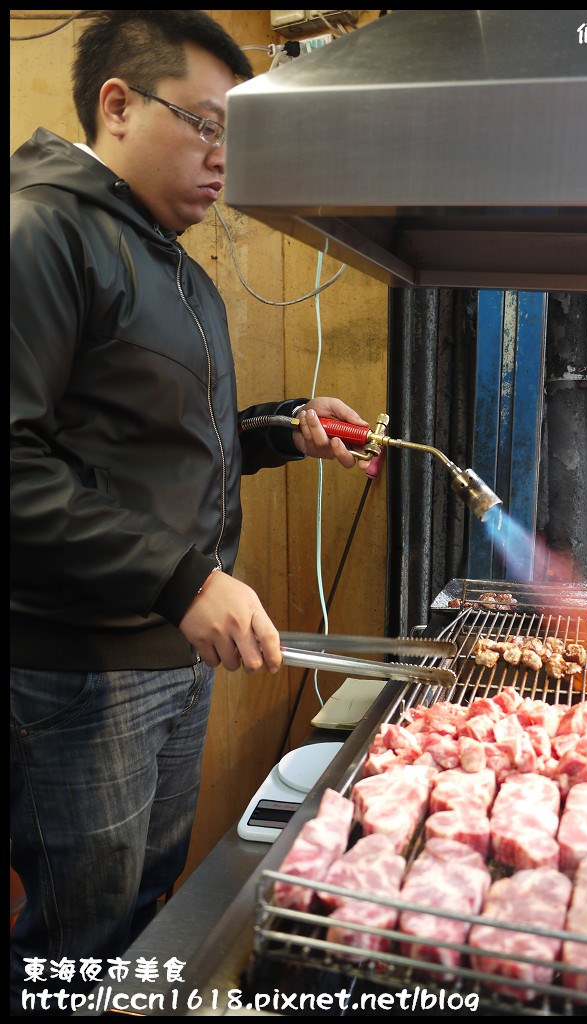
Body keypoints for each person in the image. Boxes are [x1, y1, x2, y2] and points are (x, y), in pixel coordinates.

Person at [10, 10, 372, 1014]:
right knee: (75, 942)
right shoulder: (40, 229)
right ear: (117, 104)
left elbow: (152, 444)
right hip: (81, 664)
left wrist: (283, 428)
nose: (224, 160)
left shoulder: (165, 254)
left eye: (234, 136)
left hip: (169, 648)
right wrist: (185, 579)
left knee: (143, 917)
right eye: (206, 125)